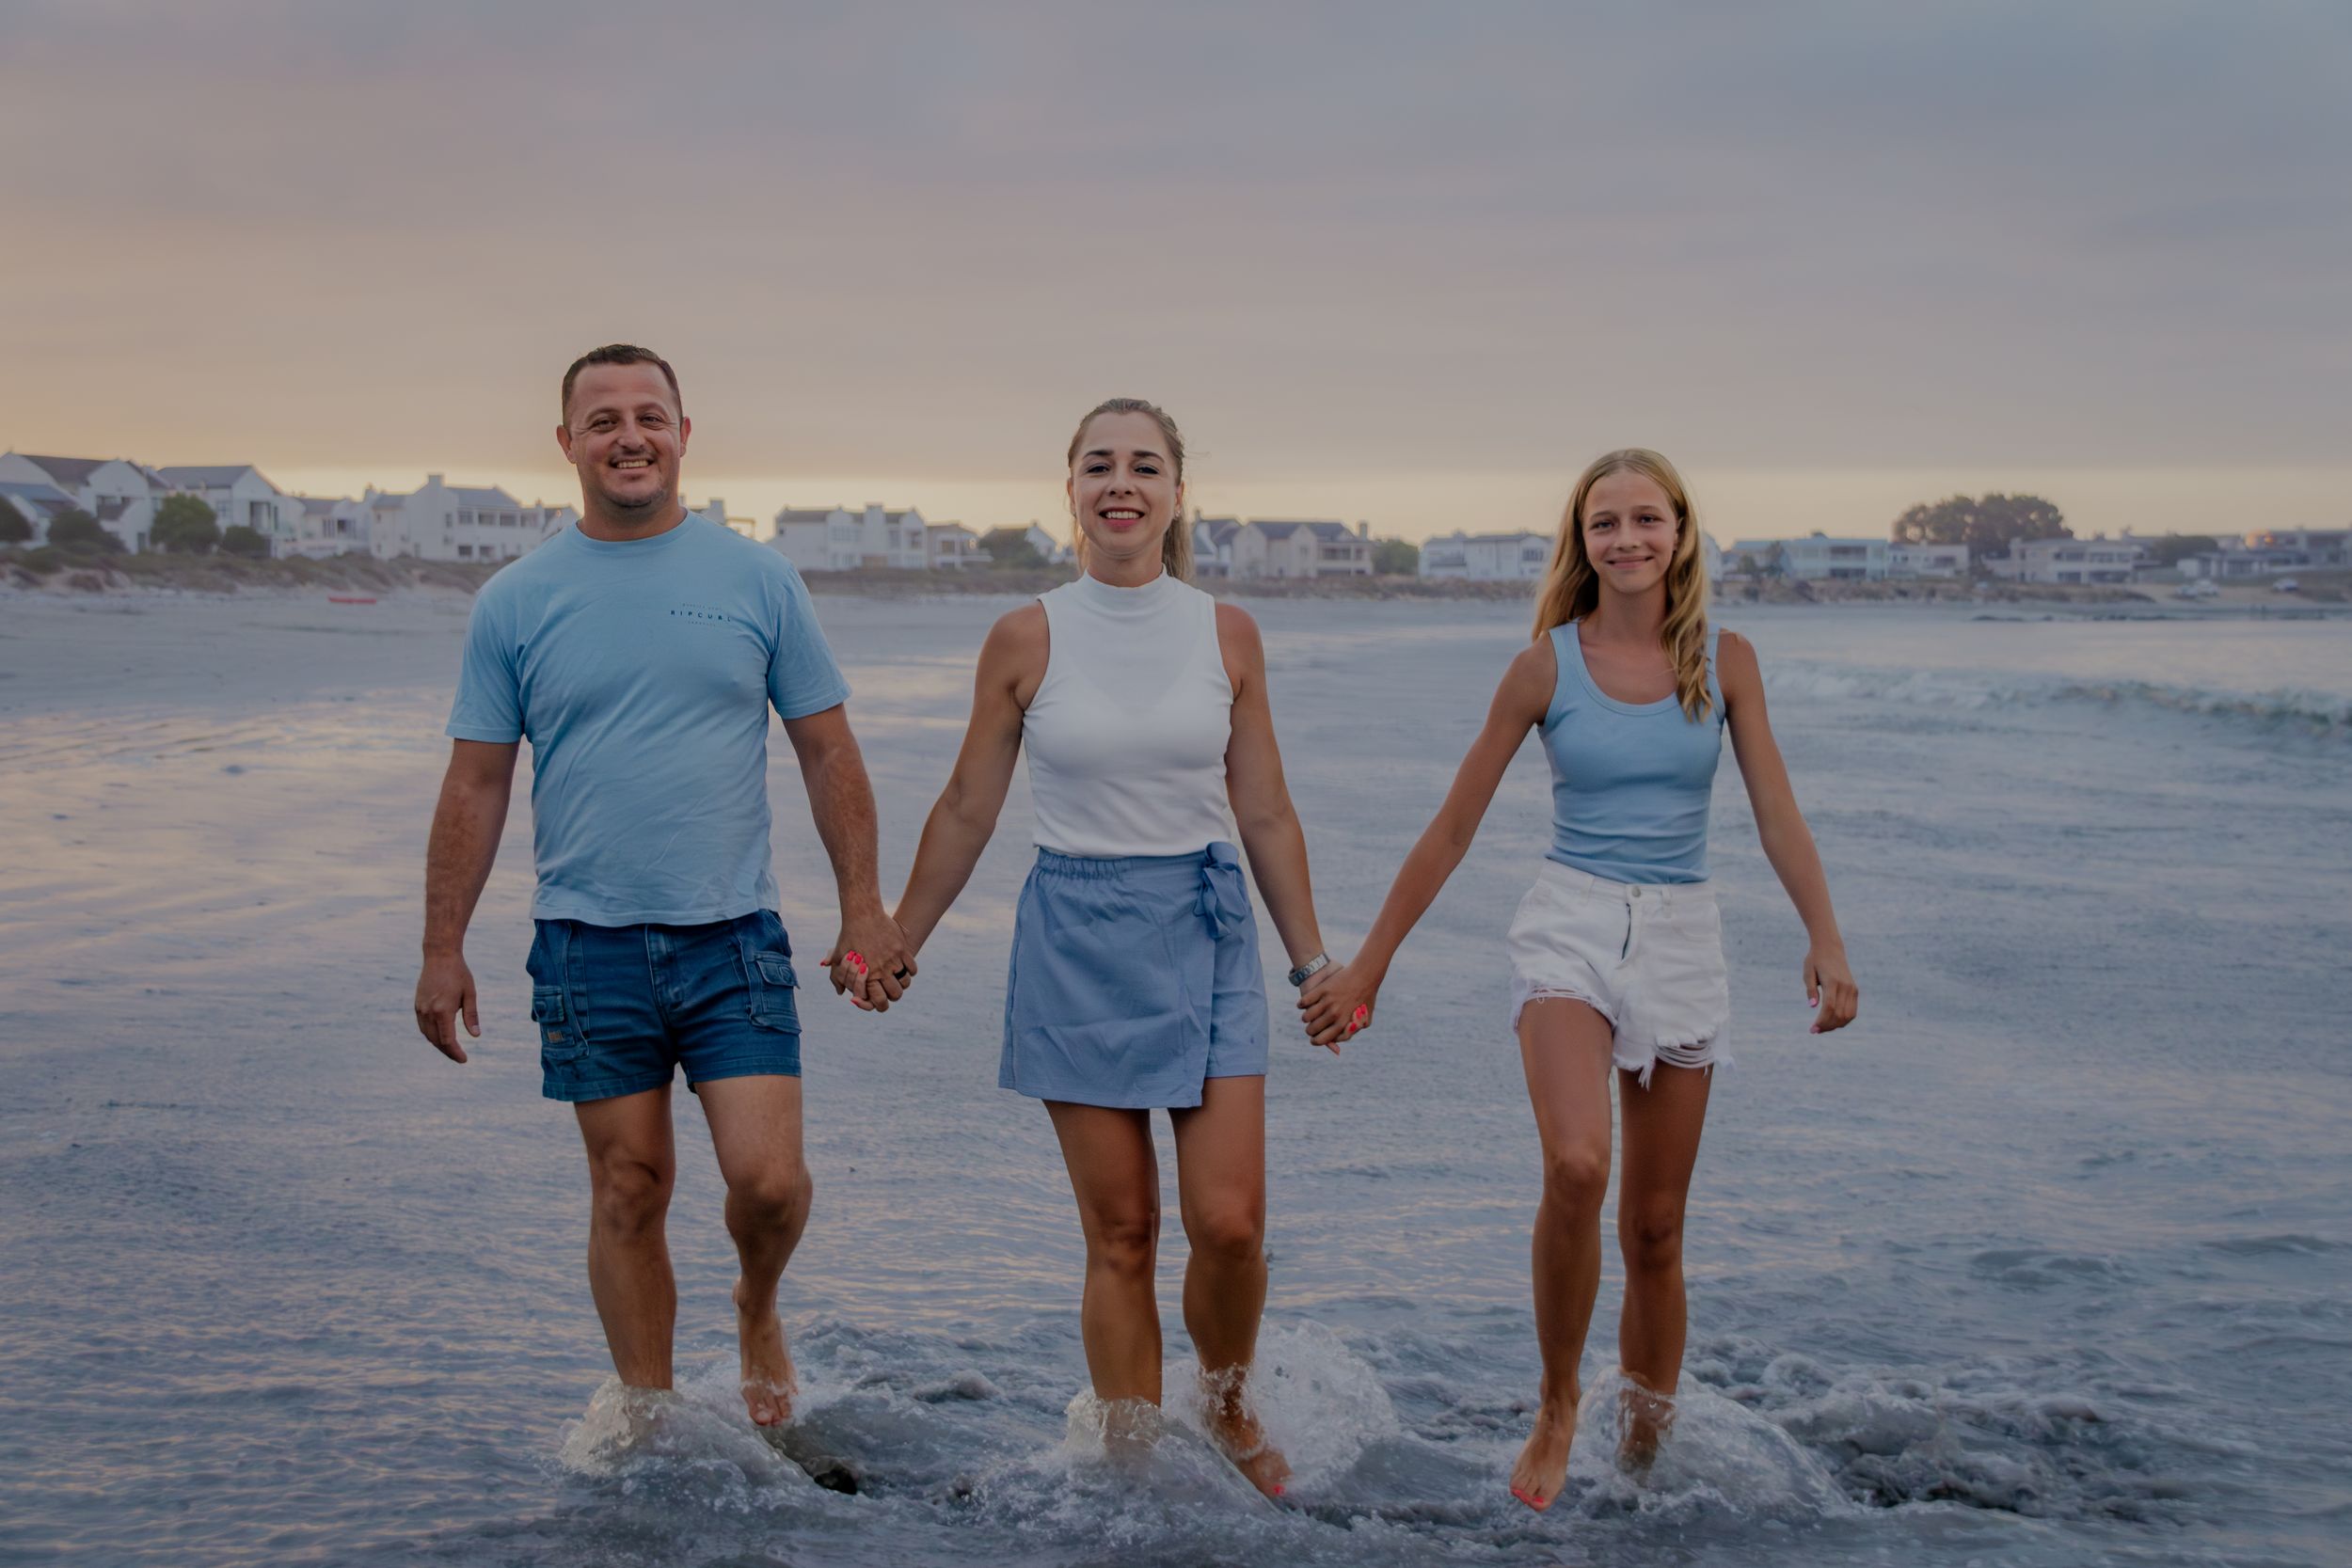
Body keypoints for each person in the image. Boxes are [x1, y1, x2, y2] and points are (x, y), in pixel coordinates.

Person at [1299, 448, 1858, 1511]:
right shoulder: (1543, 666)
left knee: (1655, 1224)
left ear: (1681, 531)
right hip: (1569, 925)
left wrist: (1824, 938)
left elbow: (1777, 813)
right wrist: (1367, 964)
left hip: (1684, 935)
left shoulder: (1725, 658)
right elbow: (1453, 825)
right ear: (1582, 540)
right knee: (1576, 1162)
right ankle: (1557, 1403)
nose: (1627, 539)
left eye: (1647, 519)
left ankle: (1645, 1446)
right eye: (1605, 523)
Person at [410, 343, 914, 1431]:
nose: (628, 435)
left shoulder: (756, 577)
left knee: (769, 1182)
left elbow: (827, 750)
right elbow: (477, 781)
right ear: (567, 445)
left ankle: (756, 1304)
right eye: (602, 420)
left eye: (650, 414)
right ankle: (650, 1417)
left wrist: (864, 908)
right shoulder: (516, 598)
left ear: (686, 434)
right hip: (586, 945)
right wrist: (441, 946)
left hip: (732, 935)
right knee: (628, 1187)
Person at [874, 398, 1339, 1497]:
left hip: (1206, 924)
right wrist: (898, 936)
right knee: (1122, 1227)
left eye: (1143, 465)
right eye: (1098, 465)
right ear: (1070, 490)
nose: (1120, 483)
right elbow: (966, 807)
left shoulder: (1226, 630)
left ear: (1177, 492)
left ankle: (1223, 1403)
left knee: (1229, 1224)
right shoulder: (1026, 634)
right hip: (1076, 936)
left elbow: (1265, 810)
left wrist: (1314, 962)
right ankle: (1133, 1454)